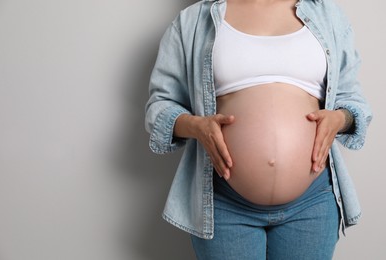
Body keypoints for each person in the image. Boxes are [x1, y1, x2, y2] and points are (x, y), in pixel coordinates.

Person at [145, 0, 372, 259]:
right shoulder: (194, 21)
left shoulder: (326, 15)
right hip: (225, 204)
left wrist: (340, 119)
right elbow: (160, 106)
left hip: (312, 204)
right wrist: (197, 127)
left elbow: (352, 100)